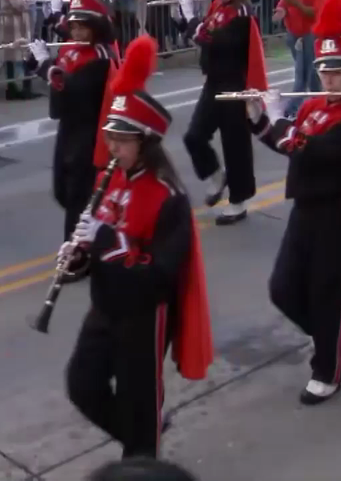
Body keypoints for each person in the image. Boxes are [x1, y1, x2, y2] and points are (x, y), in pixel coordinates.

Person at [62, 34, 213, 460]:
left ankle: (141, 453)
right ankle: (140, 439)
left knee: (139, 402)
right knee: (82, 385)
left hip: (144, 319)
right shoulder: (108, 178)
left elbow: (161, 275)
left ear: (145, 141)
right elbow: (97, 248)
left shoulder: (169, 198)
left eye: (122, 140)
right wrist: (78, 258)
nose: (112, 147)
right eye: (110, 137)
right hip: (104, 307)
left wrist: (108, 244)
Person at [245, 0, 341, 404]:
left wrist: (278, 120)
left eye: (338, 72)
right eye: (324, 70)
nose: (327, 78)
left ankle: (329, 367)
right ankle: (327, 336)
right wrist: (259, 121)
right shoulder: (314, 108)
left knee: (331, 294)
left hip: (337, 216)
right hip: (304, 209)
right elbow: (289, 142)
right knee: (282, 288)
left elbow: (309, 148)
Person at [31, 0, 119, 251]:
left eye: (83, 27)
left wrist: (45, 66)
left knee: (78, 195)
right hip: (68, 127)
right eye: (74, 26)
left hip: (89, 132)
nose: (77, 32)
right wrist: (39, 62)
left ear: (95, 28)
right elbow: (62, 83)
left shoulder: (102, 56)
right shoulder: (72, 49)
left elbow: (75, 89)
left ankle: (76, 252)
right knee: (62, 190)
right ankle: (98, 234)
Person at [183, 0, 267, 225]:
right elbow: (201, 38)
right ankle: (216, 176)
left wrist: (191, 22)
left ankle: (239, 199)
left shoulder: (242, 12)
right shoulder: (218, 7)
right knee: (194, 136)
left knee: (235, 143)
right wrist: (190, 23)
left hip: (235, 83)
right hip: (214, 81)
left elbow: (220, 42)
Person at [273, 0, 330, 117]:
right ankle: (321, 107)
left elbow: (316, 14)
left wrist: (297, 4)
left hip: (311, 36)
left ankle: (291, 110)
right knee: (311, 76)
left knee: (303, 75)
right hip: (293, 35)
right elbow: (283, 3)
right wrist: (280, 12)